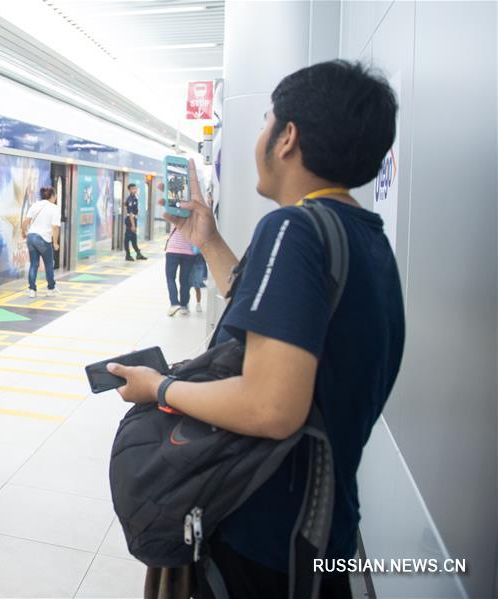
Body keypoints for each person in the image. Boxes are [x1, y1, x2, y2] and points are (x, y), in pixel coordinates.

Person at [107, 60, 404, 598]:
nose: (260, 136)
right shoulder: (363, 235)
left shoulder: (294, 228)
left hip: (266, 532)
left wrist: (160, 388)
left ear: (288, 137)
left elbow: (272, 406)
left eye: (267, 120)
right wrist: (209, 240)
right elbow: (280, 321)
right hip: (321, 522)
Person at [21, 186, 61, 298]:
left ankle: (32, 290)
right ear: (52, 196)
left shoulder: (35, 205)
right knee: (48, 264)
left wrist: (23, 233)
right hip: (43, 239)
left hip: (31, 237)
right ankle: (50, 288)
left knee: (34, 264)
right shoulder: (54, 208)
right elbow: (55, 228)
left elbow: (25, 221)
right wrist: (55, 243)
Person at [163, 227, 196, 316]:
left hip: (173, 249)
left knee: (170, 278)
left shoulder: (174, 213)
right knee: (185, 280)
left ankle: (174, 304)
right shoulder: (194, 215)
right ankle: (184, 306)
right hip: (189, 250)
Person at [124, 183, 147, 261]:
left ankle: (138, 253)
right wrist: (133, 225)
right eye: (133, 189)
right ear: (129, 190)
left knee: (134, 238)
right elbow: (130, 213)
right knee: (127, 238)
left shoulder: (134, 198)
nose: (135, 190)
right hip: (130, 221)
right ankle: (127, 255)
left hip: (133, 219)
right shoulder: (130, 199)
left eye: (135, 188)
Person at [189, 244, 208, 313]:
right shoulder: (189, 243)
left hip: (198, 266)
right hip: (190, 265)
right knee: (188, 287)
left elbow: (204, 262)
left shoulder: (199, 246)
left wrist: (205, 274)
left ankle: (198, 304)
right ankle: (187, 304)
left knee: (197, 287)